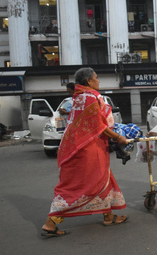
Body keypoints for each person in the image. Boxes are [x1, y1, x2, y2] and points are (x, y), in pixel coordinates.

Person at [41, 67, 128, 237]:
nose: (98, 81)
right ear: (88, 81)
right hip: (88, 149)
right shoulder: (92, 97)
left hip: (74, 147)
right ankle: (51, 222)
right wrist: (118, 137)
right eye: (96, 78)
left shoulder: (79, 97)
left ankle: (108, 216)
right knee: (77, 186)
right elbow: (99, 126)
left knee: (103, 179)